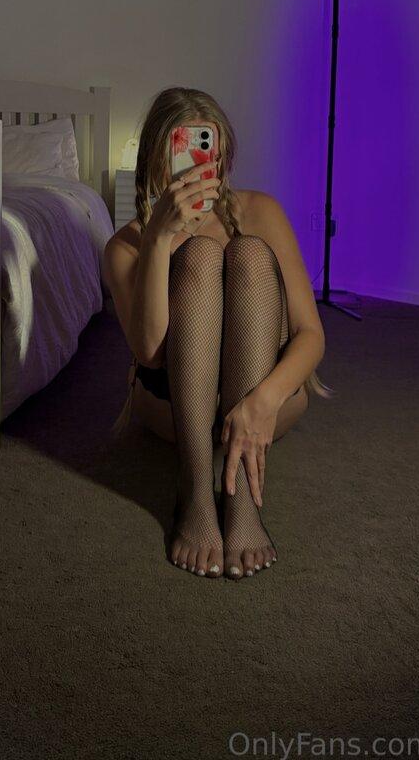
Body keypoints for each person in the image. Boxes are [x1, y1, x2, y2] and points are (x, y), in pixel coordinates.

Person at [103, 87, 326, 580]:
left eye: (213, 154)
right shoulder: (125, 246)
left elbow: (311, 334)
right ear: (157, 161)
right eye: (187, 154)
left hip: (264, 397)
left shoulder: (261, 210)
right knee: (200, 257)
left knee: (249, 254)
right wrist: (160, 239)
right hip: (173, 403)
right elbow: (150, 353)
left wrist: (262, 401)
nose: (204, 170)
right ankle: (195, 494)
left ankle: (242, 502)